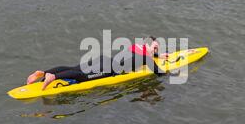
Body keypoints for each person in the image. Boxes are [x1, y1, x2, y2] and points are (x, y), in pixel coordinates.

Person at [26, 36, 169, 90]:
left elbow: (147, 53)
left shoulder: (135, 47)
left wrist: (159, 55)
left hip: (104, 59)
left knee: (74, 68)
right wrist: (168, 71)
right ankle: (54, 77)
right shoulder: (145, 58)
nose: (156, 50)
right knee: (81, 76)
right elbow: (160, 72)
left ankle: (43, 73)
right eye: (155, 47)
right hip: (108, 69)